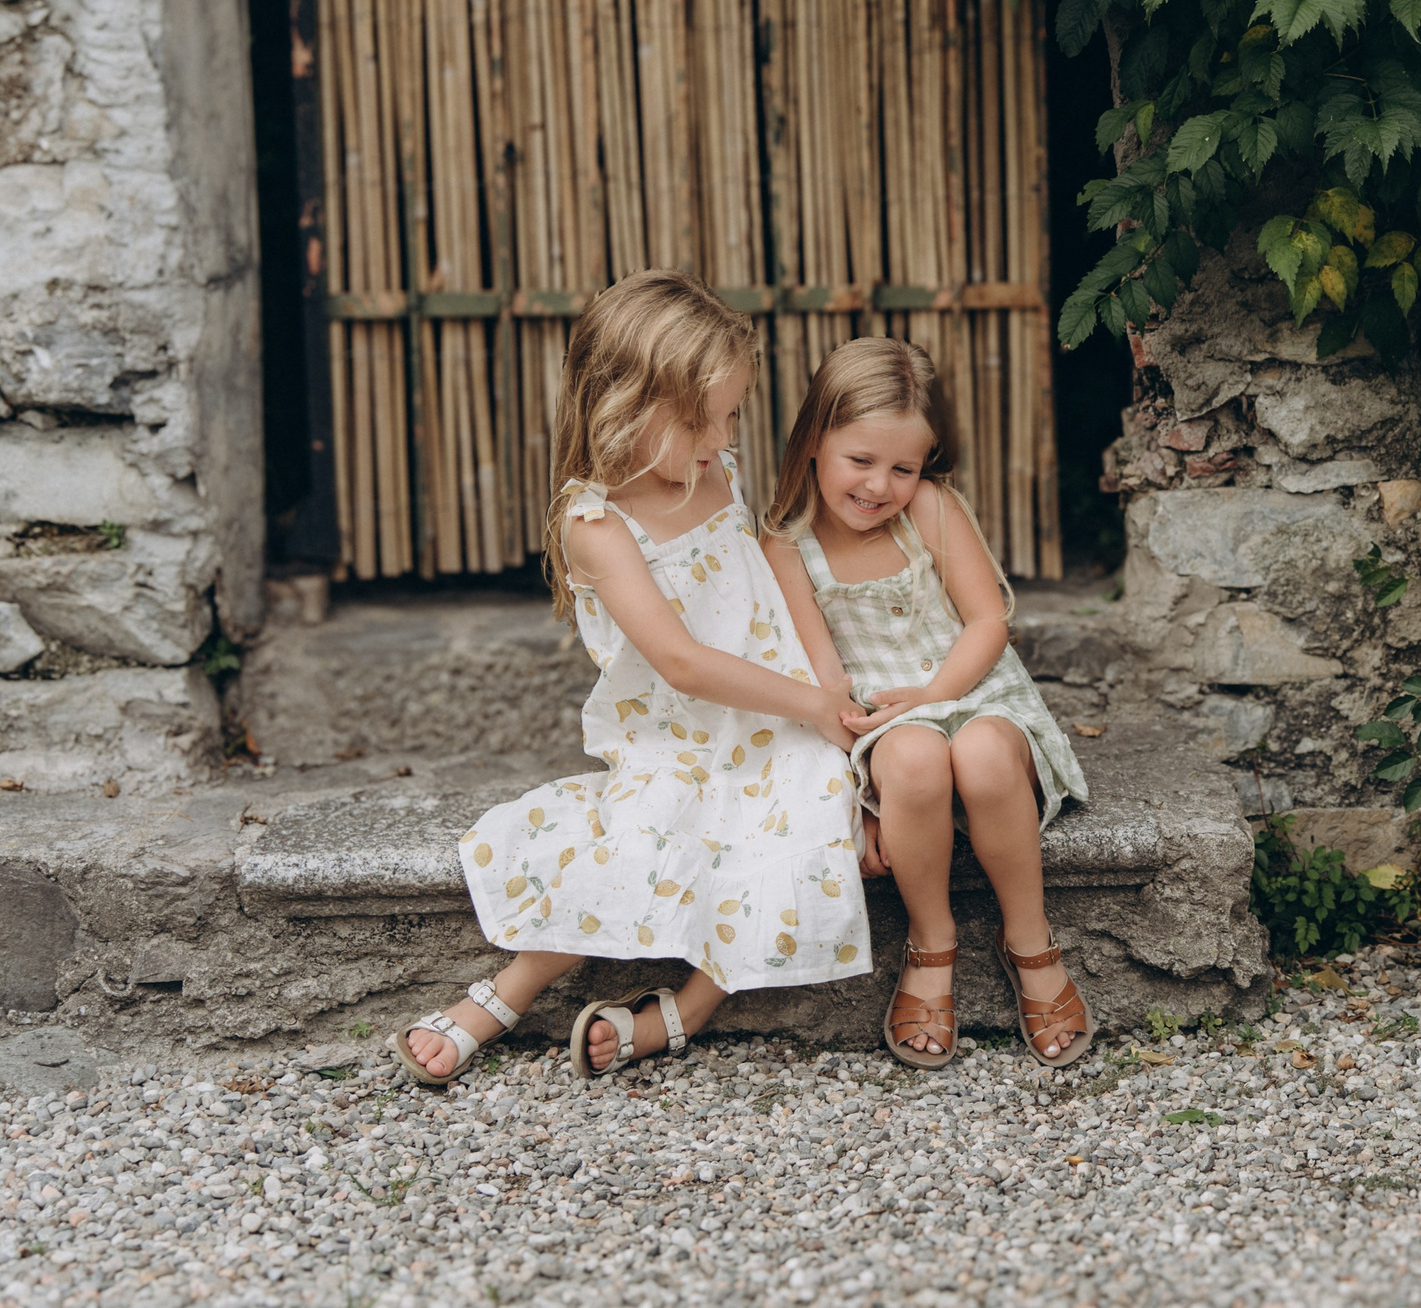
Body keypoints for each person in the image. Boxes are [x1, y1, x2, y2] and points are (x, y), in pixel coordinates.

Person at [394, 270, 870, 1085]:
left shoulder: (713, 472)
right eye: (703, 419)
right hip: (681, 732)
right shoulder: (597, 523)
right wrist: (814, 703)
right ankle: (503, 993)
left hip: (776, 714)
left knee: (811, 825)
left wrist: (831, 699)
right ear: (629, 401)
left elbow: (776, 585)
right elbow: (680, 661)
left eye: (731, 416)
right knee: (642, 837)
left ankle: (683, 1011)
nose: (723, 439)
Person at [763, 337, 1092, 1067]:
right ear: (815, 439)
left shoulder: (931, 510)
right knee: (912, 760)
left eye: (903, 467)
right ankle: (931, 943)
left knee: (976, 752)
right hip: (887, 719)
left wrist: (937, 693)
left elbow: (987, 622)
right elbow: (827, 680)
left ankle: (1030, 940)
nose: (881, 485)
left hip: (975, 691)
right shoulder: (786, 545)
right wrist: (863, 802)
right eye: (862, 460)